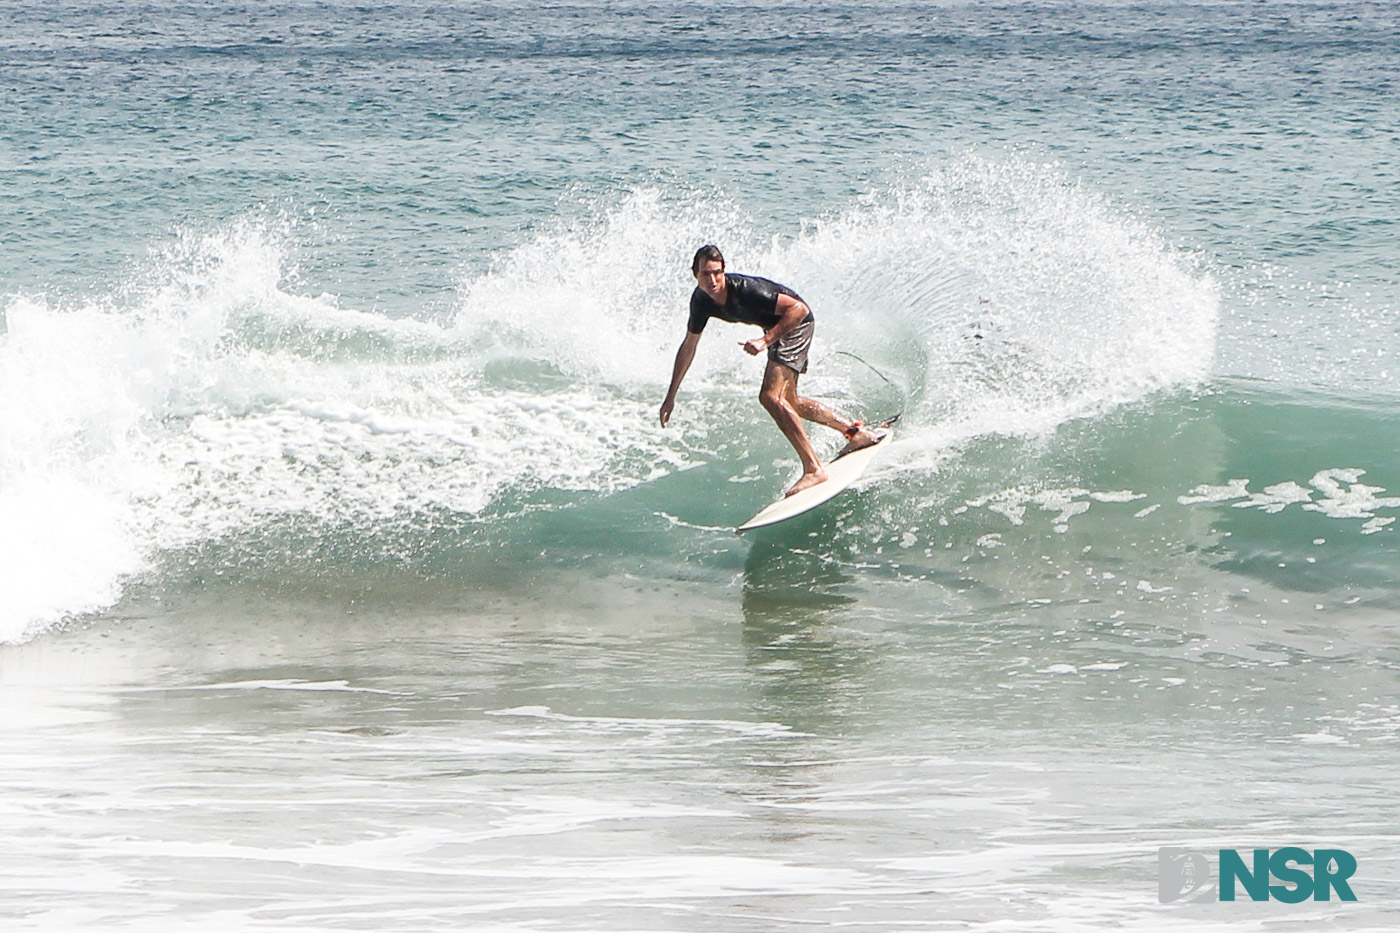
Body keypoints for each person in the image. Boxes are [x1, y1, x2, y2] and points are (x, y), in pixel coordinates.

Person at [659, 244, 880, 497]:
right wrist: (671, 396)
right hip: (777, 331)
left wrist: (765, 341)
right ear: (695, 275)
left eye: (717, 272)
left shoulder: (746, 290)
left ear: (724, 271)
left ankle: (813, 469)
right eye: (705, 274)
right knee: (790, 401)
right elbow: (688, 347)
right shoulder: (701, 302)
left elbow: (799, 309)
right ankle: (856, 433)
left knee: (770, 397)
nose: (713, 280)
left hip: (795, 324)